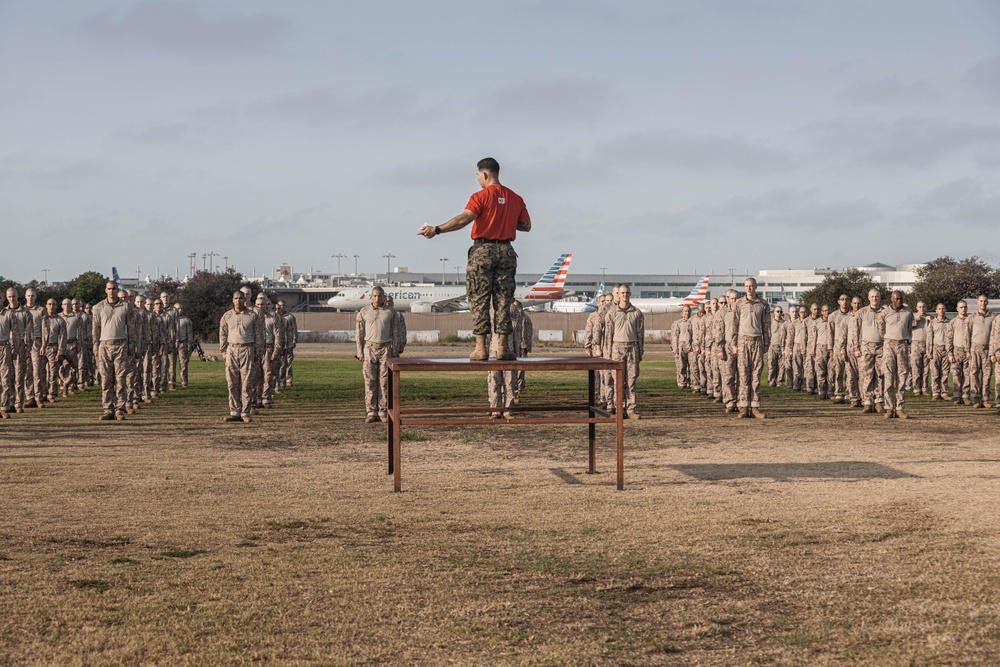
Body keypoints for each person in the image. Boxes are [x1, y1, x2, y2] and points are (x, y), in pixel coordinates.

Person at [418, 157, 531, 361]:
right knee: (504, 301)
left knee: (479, 299)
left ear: (485, 174)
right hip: (506, 251)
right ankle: (503, 348)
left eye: (478, 176)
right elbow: (526, 226)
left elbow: (464, 219)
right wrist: (503, 218)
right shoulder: (515, 198)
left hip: (483, 250)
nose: (478, 179)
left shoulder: (481, 196)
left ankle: (481, 349)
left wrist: (437, 229)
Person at [92, 281, 133, 420]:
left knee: (120, 379)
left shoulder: (126, 307)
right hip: (104, 345)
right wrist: (95, 345)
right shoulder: (99, 307)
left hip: (121, 345)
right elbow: (95, 329)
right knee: (106, 379)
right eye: (109, 289)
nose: (111, 291)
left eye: (114, 289)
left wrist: (132, 346)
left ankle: (119, 409)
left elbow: (131, 329)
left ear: (117, 290)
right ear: (105, 290)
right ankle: (108, 409)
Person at [731, 277, 771, 418]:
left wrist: (766, 342)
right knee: (743, 375)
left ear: (756, 287)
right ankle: (744, 407)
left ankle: (755, 407)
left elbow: (766, 325)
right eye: (747, 286)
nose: (749, 288)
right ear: (744, 287)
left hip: (757, 341)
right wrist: (734, 344)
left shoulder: (763, 304)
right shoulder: (739, 303)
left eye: (751, 286)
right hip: (743, 342)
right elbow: (734, 324)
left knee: (756, 375)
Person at [220, 290, 262, 423]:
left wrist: (258, 352)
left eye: (241, 298)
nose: (238, 300)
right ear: (233, 300)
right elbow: (223, 334)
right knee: (232, 383)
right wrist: (223, 351)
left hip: (247, 350)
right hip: (231, 349)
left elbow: (260, 335)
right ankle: (234, 412)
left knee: (247, 383)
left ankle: (245, 412)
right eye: (236, 298)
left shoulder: (252, 316)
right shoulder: (227, 316)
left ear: (245, 300)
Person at [604, 284, 644, 418]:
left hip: (632, 347)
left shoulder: (637, 313)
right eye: (622, 293)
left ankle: (631, 409)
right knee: (618, 380)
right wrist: (608, 353)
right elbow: (608, 335)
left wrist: (640, 351)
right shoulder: (612, 313)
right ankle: (620, 408)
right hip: (617, 348)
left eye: (627, 293)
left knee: (632, 380)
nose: (624, 295)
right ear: (618, 295)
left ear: (630, 294)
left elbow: (640, 334)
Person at [356, 286, 394, 423]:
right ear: (371, 297)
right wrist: (360, 351)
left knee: (384, 382)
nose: (378, 299)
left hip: (385, 349)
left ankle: (383, 410)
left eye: (380, 296)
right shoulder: (364, 312)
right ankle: (371, 411)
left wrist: (394, 351)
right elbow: (359, 333)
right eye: (375, 296)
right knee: (370, 381)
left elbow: (395, 332)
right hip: (369, 348)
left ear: (384, 297)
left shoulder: (390, 312)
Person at [877, 290, 913, 418]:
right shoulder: (884, 313)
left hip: (903, 344)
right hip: (889, 345)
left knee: (902, 377)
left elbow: (909, 328)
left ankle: (899, 407)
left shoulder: (908, 312)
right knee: (888, 377)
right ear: (891, 299)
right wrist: (889, 339)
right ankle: (888, 408)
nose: (899, 301)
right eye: (896, 299)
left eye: (901, 299)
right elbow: (881, 330)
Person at [856, 288, 886, 414]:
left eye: (877, 296)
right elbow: (855, 331)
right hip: (866, 346)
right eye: (872, 297)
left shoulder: (885, 312)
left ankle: (878, 401)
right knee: (866, 374)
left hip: (881, 346)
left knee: (880, 374)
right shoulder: (862, 312)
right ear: (869, 298)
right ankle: (867, 402)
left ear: (880, 298)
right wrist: (856, 348)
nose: (875, 299)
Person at [6, 288, 32, 412]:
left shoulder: (25, 313)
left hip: (21, 345)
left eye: (14, 296)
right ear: (7, 297)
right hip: (7, 345)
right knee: (7, 376)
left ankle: (19, 403)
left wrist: (27, 347)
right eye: (10, 297)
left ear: (18, 296)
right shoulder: (4, 312)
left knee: (19, 375)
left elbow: (29, 331)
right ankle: (9, 401)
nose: (12, 299)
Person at [967, 294, 993, 409]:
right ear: (977, 302)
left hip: (988, 349)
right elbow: (966, 335)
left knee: (987, 375)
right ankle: (976, 399)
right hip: (975, 349)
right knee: (974, 374)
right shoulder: (971, 317)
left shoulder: (993, 317)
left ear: (987, 303)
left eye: (985, 301)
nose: (983, 303)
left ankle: (986, 399)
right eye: (981, 301)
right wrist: (968, 350)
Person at [23, 288, 47, 407]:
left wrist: (43, 344)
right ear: (25, 297)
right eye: (28, 296)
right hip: (24, 343)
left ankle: (39, 397)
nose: (30, 298)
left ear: (36, 297)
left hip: (37, 342)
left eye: (32, 296)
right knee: (27, 371)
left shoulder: (41, 310)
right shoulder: (21, 310)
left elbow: (45, 329)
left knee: (37, 371)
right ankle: (30, 397)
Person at [260, 298, 286, 409]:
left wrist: (276, 350)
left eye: (264, 304)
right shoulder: (254, 317)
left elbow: (278, 336)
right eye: (258, 304)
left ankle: (266, 397)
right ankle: (257, 398)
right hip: (257, 348)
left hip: (269, 348)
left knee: (268, 374)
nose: (261, 306)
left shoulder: (274, 318)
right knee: (257, 376)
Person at [0, 300, 23, 418]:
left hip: (4, 347)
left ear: (3, 299)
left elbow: (15, 334)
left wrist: (15, 350)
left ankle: (4, 407)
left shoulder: (9, 314)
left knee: (5, 378)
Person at [41, 298, 66, 403]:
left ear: (56, 306)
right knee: (40, 372)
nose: (51, 306)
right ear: (46, 305)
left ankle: (51, 394)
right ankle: (42, 393)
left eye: (53, 304)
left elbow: (62, 337)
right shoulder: (41, 319)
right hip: (41, 347)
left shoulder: (60, 320)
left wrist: (60, 352)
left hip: (54, 347)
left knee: (52, 372)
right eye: (49, 304)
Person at [828, 294, 851, 403]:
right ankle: (838, 392)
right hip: (837, 345)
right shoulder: (833, 316)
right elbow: (830, 333)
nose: (844, 302)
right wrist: (830, 349)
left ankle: (848, 392)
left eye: (846, 299)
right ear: (838, 301)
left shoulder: (853, 315)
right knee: (838, 370)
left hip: (849, 345)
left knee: (850, 371)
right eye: (842, 299)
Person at [926, 303, 951, 401]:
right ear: (936, 310)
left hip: (946, 349)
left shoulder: (950, 322)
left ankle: (944, 393)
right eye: (939, 309)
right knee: (935, 373)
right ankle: (936, 392)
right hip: (936, 349)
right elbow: (929, 338)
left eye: (943, 309)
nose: (941, 311)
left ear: (946, 310)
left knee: (945, 373)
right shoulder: (932, 323)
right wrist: (929, 352)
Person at [948, 300, 971, 404]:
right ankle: (957, 396)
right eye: (961, 307)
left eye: (965, 307)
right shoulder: (952, 322)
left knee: (967, 374)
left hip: (968, 352)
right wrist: (950, 353)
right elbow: (949, 339)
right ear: (957, 309)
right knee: (956, 375)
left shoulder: (971, 320)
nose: (963, 309)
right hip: (956, 351)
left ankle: (965, 396)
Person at [59, 298, 83, 396]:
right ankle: (62, 384)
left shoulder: (77, 317)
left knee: (73, 367)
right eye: (65, 304)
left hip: (72, 344)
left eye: (69, 304)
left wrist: (79, 345)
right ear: (62, 306)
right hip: (60, 344)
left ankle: (70, 386)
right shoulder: (59, 317)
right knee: (59, 367)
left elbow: (80, 332)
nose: (67, 306)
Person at [809, 304, 834, 400]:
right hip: (820, 348)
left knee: (831, 371)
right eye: (825, 311)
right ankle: (822, 392)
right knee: (820, 371)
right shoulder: (816, 323)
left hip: (831, 349)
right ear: (822, 312)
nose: (826, 313)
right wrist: (812, 350)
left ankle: (831, 392)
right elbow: (812, 338)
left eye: (828, 310)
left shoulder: (833, 322)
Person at [909, 301, 930, 396]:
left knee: (926, 368)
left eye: (924, 307)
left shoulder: (929, 318)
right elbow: (907, 327)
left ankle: (924, 388)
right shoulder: (912, 317)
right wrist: (915, 320)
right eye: (920, 307)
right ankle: (916, 388)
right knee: (916, 367)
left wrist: (931, 321)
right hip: (916, 344)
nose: (922, 309)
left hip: (927, 344)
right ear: (917, 308)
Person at [671, 305, 694, 389]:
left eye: (688, 311)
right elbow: (674, 336)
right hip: (681, 345)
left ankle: (691, 382)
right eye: (685, 311)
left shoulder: (693, 322)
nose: (687, 313)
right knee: (681, 365)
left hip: (691, 346)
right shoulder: (678, 323)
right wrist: (675, 348)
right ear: (682, 313)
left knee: (692, 366)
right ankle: (682, 382)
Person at [175, 303, 194, 388]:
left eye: (181, 308)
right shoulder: (170, 319)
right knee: (171, 365)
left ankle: (184, 382)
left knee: (183, 364)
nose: (180, 310)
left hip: (183, 343)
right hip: (172, 344)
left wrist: (189, 344)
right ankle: (171, 382)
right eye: (178, 308)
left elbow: (190, 333)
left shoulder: (186, 320)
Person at [767, 307, 786, 388]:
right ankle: (771, 381)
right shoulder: (770, 323)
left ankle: (780, 381)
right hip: (772, 346)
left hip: (782, 347)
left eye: (780, 311)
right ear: (774, 312)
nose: (779, 313)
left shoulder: (785, 323)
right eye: (777, 311)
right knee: (771, 365)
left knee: (781, 366)